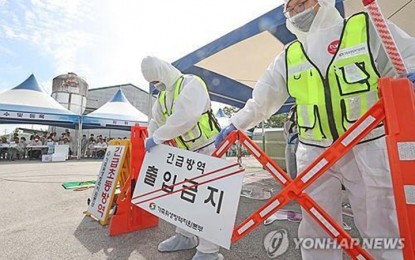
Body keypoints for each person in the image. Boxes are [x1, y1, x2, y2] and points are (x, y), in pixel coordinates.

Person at [215, 0, 415, 259]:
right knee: (316, 228)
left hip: (366, 145)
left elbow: (408, 57)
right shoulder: (289, 54)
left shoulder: (365, 27)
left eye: (302, 3)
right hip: (313, 153)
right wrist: (236, 124)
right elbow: (262, 100)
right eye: (291, 8)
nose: (298, 11)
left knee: (381, 224)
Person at [141, 56, 222, 260]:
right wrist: (151, 137)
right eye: (152, 84)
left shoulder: (191, 83)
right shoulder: (162, 97)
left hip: (209, 149)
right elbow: (156, 120)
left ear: (164, 72)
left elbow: (187, 115)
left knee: (207, 201)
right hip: (187, 153)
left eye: (156, 81)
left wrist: (158, 137)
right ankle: (185, 236)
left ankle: (208, 250)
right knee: (185, 196)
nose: (156, 86)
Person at [283, 105, 298, 179]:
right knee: (291, 171)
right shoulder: (288, 124)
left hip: (294, 147)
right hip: (290, 146)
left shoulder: (288, 124)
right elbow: (285, 135)